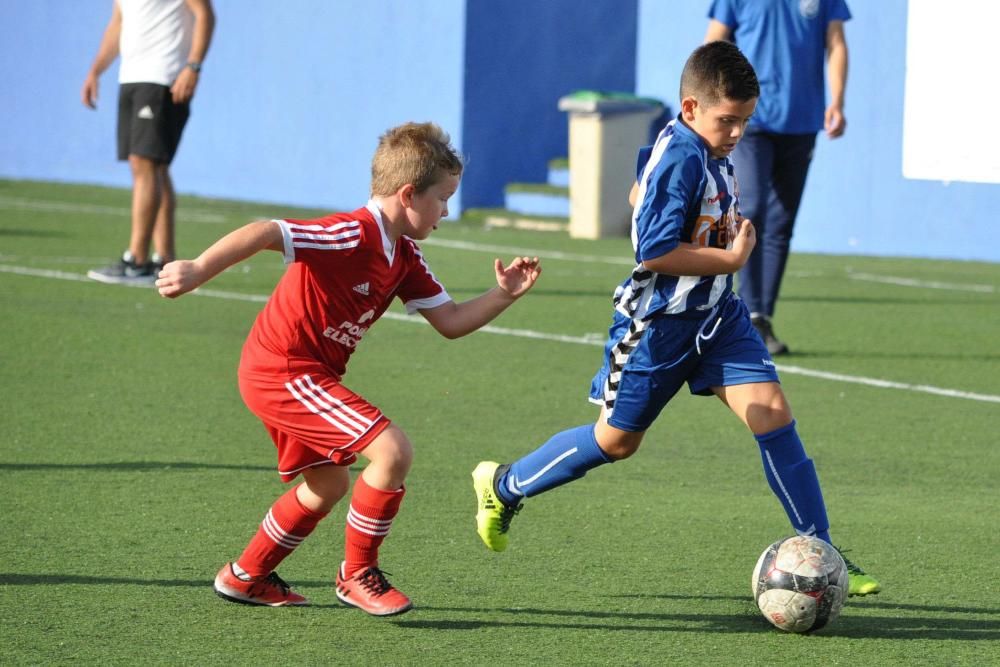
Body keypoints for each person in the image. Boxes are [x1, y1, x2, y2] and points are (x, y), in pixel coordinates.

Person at [472, 42, 880, 597]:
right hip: (658, 326)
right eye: (727, 121)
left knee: (773, 414)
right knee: (616, 442)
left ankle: (823, 550)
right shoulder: (684, 154)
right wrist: (731, 257)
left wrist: (678, 218)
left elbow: (644, 183)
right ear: (691, 109)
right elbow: (653, 251)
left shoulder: (694, 142)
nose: (736, 133)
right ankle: (505, 485)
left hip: (718, 317)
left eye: (744, 121)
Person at [156, 122, 541, 615]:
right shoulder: (351, 233)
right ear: (408, 194)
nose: (447, 210)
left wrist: (503, 294)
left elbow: (451, 321)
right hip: (283, 370)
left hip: (301, 374)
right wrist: (197, 270)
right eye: (443, 198)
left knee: (329, 484)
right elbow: (268, 232)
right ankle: (356, 574)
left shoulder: (402, 254)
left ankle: (247, 574)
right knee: (392, 451)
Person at [705, 0, 850, 355]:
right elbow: (714, 44)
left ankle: (762, 317)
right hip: (752, 122)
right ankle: (743, 312)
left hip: (802, 121)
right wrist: (715, 101)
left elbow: (836, 42)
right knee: (751, 209)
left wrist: (838, 101)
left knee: (783, 220)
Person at [82, 0, 215, 284]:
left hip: (163, 77)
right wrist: (96, 70)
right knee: (155, 167)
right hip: (131, 78)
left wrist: (193, 66)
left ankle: (136, 260)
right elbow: (118, 23)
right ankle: (164, 259)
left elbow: (204, 13)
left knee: (144, 163)